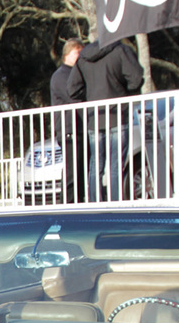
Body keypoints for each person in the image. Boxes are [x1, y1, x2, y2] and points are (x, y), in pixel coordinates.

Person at [68, 38, 145, 201]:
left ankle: (95, 203)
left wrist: (88, 101)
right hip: (117, 115)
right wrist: (126, 93)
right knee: (115, 165)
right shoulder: (120, 50)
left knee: (96, 165)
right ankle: (116, 203)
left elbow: (72, 89)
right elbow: (136, 77)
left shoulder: (83, 57)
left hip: (94, 118)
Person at [51, 38, 87, 203]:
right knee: (72, 171)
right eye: (77, 52)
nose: (80, 56)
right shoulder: (61, 76)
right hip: (69, 130)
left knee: (81, 170)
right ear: (67, 54)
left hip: (79, 129)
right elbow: (73, 95)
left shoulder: (74, 74)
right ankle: (67, 203)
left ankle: (78, 201)